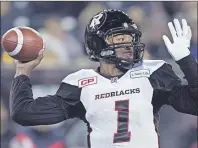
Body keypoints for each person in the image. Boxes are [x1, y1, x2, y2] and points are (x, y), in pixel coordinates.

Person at [10, 9, 197, 148]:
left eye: (130, 38)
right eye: (119, 39)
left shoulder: (153, 72)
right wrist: (23, 70)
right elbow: (24, 113)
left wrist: (185, 60)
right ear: (97, 43)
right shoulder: (80, 83)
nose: (128, 45)